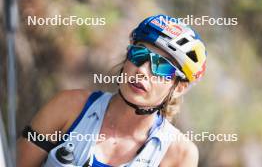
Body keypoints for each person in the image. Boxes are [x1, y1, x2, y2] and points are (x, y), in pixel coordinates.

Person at [17, 14, 207, 167]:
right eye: (138, 54)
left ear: (179, 88)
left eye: (161, 66)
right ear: (127, 58)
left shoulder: (179, 154)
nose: (141, 70)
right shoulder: (68, 106)